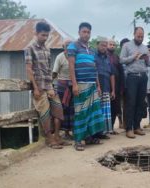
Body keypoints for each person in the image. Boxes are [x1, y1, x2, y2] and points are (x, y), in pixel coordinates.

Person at [25, 22, 64, 149]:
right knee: (45, 113)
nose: (45, 38)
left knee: (58, 110)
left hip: (49, 85)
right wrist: (35, 88)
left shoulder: (47, 49)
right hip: (39, 87)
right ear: (36, 33)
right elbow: (29, 69)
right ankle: (49, 139)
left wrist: (51, 86)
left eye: (47, 35)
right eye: (42, 35)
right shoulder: (29, 48)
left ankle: (57, 136)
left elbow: (48, 69)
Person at [67, 22, 105, 151]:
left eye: (88, 32)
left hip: (93, 85)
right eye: (84, 31)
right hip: (81, 85)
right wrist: (74, 85)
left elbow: (95, 69)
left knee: (92, 112)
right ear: (79, 32)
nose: (86, 34)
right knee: (80, 113)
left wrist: (98, 86)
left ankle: (89, 137)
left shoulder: (92, 50)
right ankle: (78, 140)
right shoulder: (73, 47)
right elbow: (71, 66)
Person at [120, 27, 149, 138]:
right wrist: (133, 57)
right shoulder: (126, 45)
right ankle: (129, 129)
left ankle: (137, 127)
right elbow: (121, 60)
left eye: (142, 36)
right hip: (131, 77)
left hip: (143, 77)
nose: (140, 38)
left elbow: (149, 64)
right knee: (130, 103)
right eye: (138, 36)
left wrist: (147, 59)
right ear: (134, 34)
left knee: (140, 103)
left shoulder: (145, 47)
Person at [52, 40, 74, 140]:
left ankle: (71, 131)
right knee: (62, 109)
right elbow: (55, 72)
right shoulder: (60, 57)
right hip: (62, 86)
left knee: (72, 110)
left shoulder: (74, 56)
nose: (69, 47)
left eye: (70, 45)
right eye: (67, 45)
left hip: (72, 86)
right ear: (63, 46)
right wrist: (49, 85)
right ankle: (63, 132)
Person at [95, 37, 116, 138]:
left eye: (105, 45)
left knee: (105, 112)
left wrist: (113, 90)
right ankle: (96, 133)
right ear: (97, 45)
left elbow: (112, 74)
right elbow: (94, 72)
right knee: (97, 111)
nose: (104, 47)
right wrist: (97, 86)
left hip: (107, 88)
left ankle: (103, 132)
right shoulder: (93, 56)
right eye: (102, 45)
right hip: (96, 89)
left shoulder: (108, 58)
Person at [107, 39, 124, 131]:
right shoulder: (103, 56)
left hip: (116, 87)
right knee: (106, 108)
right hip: (105, 86)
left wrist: (121, 87)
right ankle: (105, 128)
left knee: (114, 108)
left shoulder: (117, 57)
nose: (112, 46)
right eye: (110, 44)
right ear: (106, 45)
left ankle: (112, 128)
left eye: (114, 45)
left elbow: (121, 73)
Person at [119, 38, 130, 129]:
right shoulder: (119, 59)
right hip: (121, 85)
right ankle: (121, 122)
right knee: (120, 105)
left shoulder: (133, 58)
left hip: (131, 85)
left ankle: (129, 123)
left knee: (129, 105)